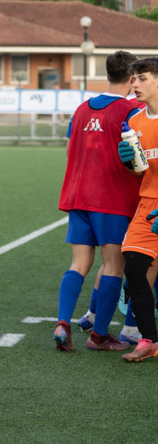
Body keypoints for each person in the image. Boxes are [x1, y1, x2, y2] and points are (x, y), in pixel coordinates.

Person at [53, 51, 141, 352]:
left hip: (78, 197)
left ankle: (63, 322)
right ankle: (99, 335)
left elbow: (69, 152)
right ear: (132, 78)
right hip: (111, 199)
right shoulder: (130, 110)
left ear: (107, 75)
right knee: (114, 266)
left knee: (79, 263)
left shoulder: (81, 109)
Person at [118, 57, 158, 362]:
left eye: (142, 78)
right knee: (133, 269)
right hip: (148, 205)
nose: (135, 84)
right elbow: (139, 172)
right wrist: (129, 161)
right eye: (134, 78)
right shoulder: (134, 122)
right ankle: (149, 340)